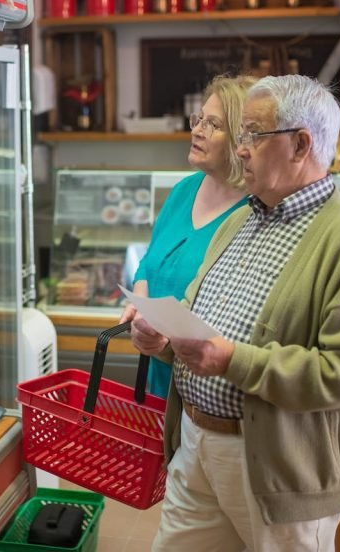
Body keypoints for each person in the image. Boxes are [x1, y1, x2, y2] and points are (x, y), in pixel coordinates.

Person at [130, 74, 340, 551]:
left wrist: (232, 361)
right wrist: (162, 339)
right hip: (194, 445)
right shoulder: (244, 217)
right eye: (240, 133)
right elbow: (196, 313)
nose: (241, 148)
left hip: (276, 469)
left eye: (252, 134)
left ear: (301, 144)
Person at [120, 74, 255, 398]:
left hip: (212, 390)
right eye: (199, 119)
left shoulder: (255, 210)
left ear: (243, 139)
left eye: (213, 125)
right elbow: (149, 264)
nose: (196, 130)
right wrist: (141, 313)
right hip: (161, 382)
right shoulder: (184, 190)